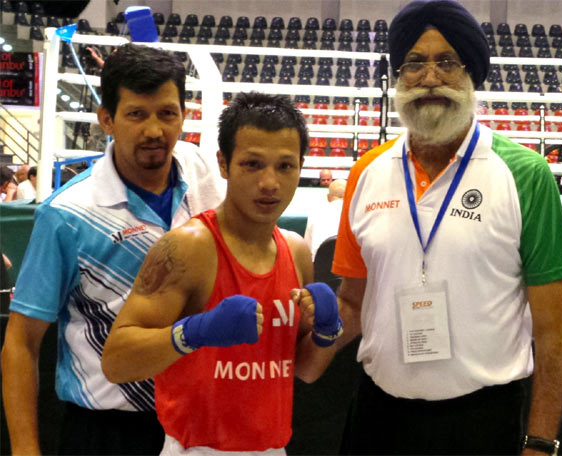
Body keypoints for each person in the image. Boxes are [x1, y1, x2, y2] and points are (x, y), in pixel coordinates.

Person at [332, 1, 562, 455]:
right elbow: (351, 301)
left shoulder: (525, 175)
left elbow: (554, 331)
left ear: (471, 73)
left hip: (482, 422)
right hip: (377, 417)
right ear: (398, 76)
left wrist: (541, 441)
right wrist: (291, 342)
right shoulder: (366, 172)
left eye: (447, 61)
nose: (429, 78)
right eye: (414, 63)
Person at [1, 43, 225, 456]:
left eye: (167, 113)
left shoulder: (206, 178)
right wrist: (25, 450)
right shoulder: (67, 215)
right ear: (107, 119)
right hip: (108, 432)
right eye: (136, 114)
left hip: (201, 423)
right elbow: (21, 342)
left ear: (183, 115)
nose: (155, 130)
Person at [101, 92, 344, 455]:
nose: (269, 183)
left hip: (273, 449)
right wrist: (194, 332)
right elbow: (116, 362)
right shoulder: (188, 248)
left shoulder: (296, 252)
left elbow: (305, 370)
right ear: (224, 164)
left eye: (284, 166)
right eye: (252, 164)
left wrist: (327, 334)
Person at [304, 178, 346, 261]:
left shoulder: (315, 214)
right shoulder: (357, 215)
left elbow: (306, 249)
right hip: (349, 270)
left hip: (319, 269)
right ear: (350, 196)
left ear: (328, 197)